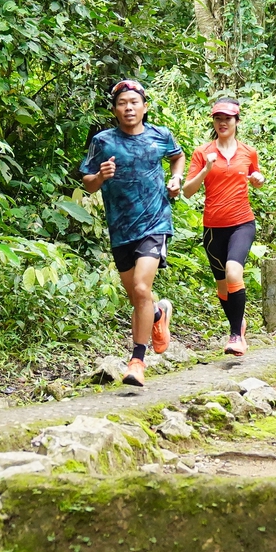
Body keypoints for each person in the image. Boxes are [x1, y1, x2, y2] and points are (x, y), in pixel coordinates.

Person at [79, 79, 183, 387]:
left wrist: (176, 179)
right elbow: (87, 182)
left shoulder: (160, 136)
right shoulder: (103, 141)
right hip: (120, 227)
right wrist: (100, 175)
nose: (129, 108)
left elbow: (177, 156)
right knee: (138, 298)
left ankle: (137, 361)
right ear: (114, 109)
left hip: (155, 222)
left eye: (134, 103)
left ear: (145, 107)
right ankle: (158, 314)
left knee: (140, 288)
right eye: (122, 103)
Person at [181, 96, 263, 357]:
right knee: (222, 287)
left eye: (228, 118)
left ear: (237, 121)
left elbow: (255, 175)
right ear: (213, 122)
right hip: (213, 228)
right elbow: (187, 191)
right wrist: (205, 169)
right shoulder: (202, 152)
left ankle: (236, 336)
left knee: (233, 274)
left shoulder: (247, 152)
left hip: (242, 223)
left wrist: (258, 179)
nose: (223, 123)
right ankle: (238, 324)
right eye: (218, 118)